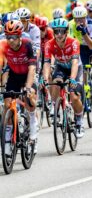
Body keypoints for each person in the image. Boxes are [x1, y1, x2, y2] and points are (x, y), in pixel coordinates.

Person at [43, 18, 85, 138]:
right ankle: (56, 105)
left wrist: (72, 78)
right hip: (61, 67)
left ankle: (79, 120)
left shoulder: (73, 42)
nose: (59, 34)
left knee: (74, 96)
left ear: (66, 32)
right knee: (55, 83)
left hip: (74, 68)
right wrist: (45, 79)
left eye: (62, 31)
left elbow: (75, 63)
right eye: (56, 32)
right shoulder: (49, 44)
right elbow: (46, 63)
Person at [1, 20, 38, 154]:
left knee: (30, 96)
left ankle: (33, 122)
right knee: (7, 105)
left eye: (14, 36)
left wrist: (28, 87)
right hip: (14, 75)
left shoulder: (28, 44)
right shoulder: (3, 45)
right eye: (8, 36)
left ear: (20, 36)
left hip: (28, 73)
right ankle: (6, 141)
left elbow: (32, 68)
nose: (10, 40)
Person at [69, 6, 92, 101]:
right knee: (83, 69)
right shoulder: (71, 25)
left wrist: (84, 32)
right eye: (77, 19)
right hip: (82, 47)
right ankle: (85, 94)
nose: (79, 21)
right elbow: (70, 41)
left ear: (86, 17)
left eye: (81, 19)